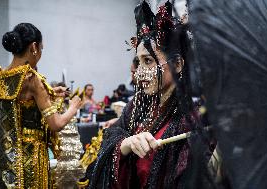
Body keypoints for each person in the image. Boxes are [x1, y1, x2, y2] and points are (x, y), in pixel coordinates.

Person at [87, 1, 210, 188]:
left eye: (148, 61)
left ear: (177, 64)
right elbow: (111, 139)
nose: (139, 72)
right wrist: (125, 145)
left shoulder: (191, 120)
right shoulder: (135, 107)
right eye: (139, 62)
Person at [0, 23, 81, 188]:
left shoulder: (0, 77)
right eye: (41, 48)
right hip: (31, 157)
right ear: (34, 47)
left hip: (6, 160)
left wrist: (51, 92)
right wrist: (73, 107)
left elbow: (21, 101)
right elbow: (56, 124)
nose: (40, 53)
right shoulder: (32, 79)